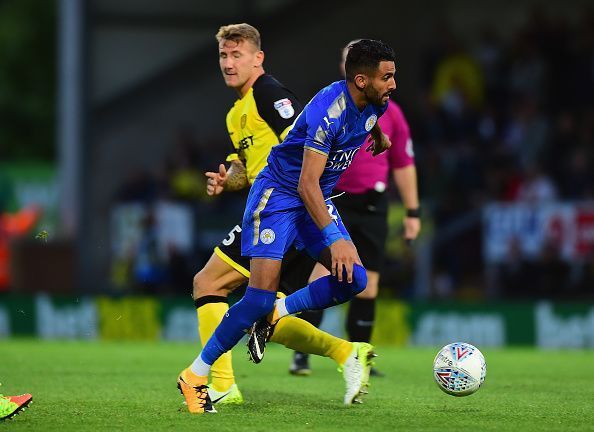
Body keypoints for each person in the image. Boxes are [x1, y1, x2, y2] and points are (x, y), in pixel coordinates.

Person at [178, 39, 396, 414]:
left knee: (354, 280)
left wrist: (377, 135)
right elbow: (304, 184)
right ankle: (196, 376)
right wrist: (334, 239)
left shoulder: (376, 101)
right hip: (279, 197)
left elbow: (366, 124)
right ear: (361, 80)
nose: (393, 84)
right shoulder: (329, 111)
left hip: (315, 197)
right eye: (387, 77)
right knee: (255, 297)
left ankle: (278, 314)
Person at [290, 40, 421, 376]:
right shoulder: (330, 109)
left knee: (370, 283)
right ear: (355, 74)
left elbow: (403, 162)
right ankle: (301, 351)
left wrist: (412, 211)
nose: (392, 84)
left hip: (374, 204)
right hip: (336, 200)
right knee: (327, 270)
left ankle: (360, 353)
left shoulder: (387, 109)